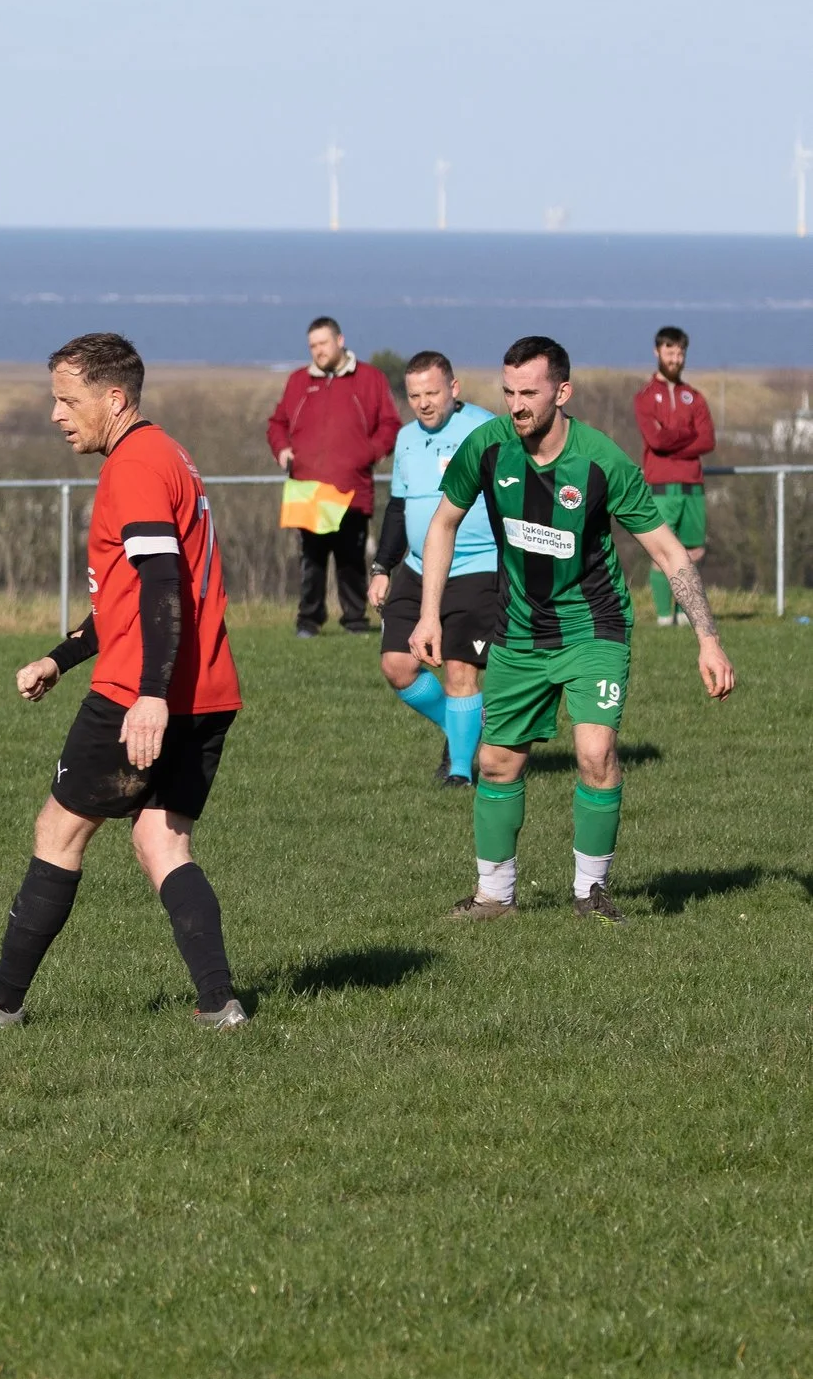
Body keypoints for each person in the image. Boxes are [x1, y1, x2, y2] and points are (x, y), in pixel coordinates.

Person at [0, 332, 248, 1030]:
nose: (57, 415)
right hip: (207, 690)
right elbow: (128, 601)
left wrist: (150, 693)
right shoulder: (168, 454)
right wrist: (59, 659)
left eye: (69, 400)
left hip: (140, 695)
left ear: (114, 398)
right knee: (163, 842)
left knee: (58, 831)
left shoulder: (133, 466)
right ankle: (220, 1004)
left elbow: (163, 586)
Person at [413, 336, 733, 924]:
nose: (515, 405)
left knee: (595, 751)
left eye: (528, 393)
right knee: (496, 764)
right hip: (517, 632)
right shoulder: (487, 448)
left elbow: (669, 552)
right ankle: (494, 897)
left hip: (594, 628)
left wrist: (707, 638)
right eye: (507, 392)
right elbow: (443, 525)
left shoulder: (602, 461)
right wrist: (429, 612)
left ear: (562, 393)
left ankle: (591, 892)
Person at [368, 351, 502, 787]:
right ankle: (464, 724)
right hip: (418, 566)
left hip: (477, 566)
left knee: (461, 668)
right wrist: (382, 566)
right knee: (396, 665)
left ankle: (460, 773)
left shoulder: (486, 429)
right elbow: (398, 505)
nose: (423, 403)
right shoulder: (406, 438)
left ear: (454, 389)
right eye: (414, 395)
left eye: (432, 393)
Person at [267, 316, 401, 636]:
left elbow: (389, 425)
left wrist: (367, 454)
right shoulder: (299, 381)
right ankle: (308, 622)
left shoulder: (370, 379)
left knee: (351, 560)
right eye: (312, 346)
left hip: (350, 491)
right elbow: (277, 423)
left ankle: (355, 620)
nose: (318, 351)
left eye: (323, 343)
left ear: (340, 341)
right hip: (307, 490)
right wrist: (283, 450)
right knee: (310, 562)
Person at [633, 325, 715, 627]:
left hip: (693, 484)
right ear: (657, 352)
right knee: (661, 551)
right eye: (670, 351)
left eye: (680, 352)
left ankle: (685, 614)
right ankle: (664, 617)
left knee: (693, 551)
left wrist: (672, 439)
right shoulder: (645, 397)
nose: (675, 358)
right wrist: (686, 435)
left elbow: (707, 440)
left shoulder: (694, 396)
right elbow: (655, 442)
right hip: (661, 486)